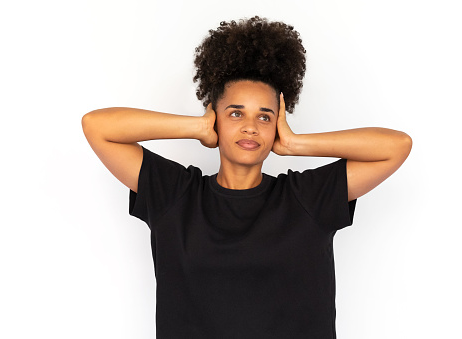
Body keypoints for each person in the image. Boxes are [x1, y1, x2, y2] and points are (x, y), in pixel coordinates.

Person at [82, 16, 412, 339]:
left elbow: (396, 146)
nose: (250, 126)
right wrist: (197, 127)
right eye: (236, 113)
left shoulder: (307, 197)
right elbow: (97, 127)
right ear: (215, 117)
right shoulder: (174, 194)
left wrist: (297, 144)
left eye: (264, 117)